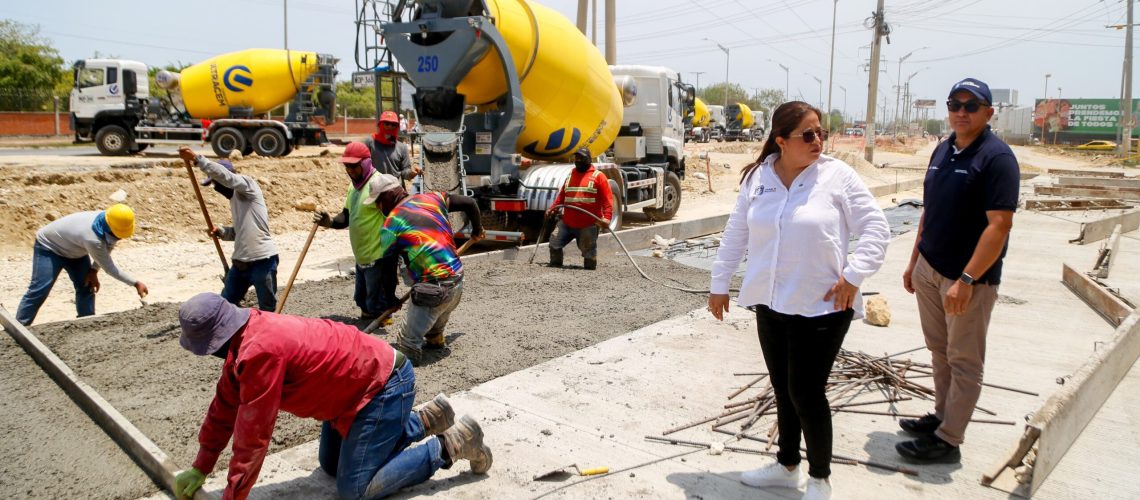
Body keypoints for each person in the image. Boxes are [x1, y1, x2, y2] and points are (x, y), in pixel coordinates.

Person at [708, 101, 890, 500]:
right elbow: (736, 231)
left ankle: (820, 478)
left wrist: (854, 275)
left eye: (820, 132)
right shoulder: (759, 177)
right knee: (782, 386)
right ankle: (787, 465)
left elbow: (876, 227)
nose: (818, 141)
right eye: (808, 134)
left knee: (806, 392)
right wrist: (719, 283)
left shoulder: (837, 176)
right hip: (771, 303)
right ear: (781, 141)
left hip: (822, 306)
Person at [171, 293, 492, 500]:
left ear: (217, 339)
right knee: (330, 465)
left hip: (384, 386)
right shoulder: (244, 338)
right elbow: (224, 408)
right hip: (355, 395)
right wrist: (202, 466)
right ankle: (424, 420)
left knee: (354, 488)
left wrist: (233, 496)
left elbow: (252, 437)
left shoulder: (260, 353)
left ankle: (450, 445)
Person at [897, 78, 1019, 464]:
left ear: (988, 112)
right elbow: (929, 211)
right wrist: (914, 261)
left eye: (971, 105)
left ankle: (949, 440)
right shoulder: (943, 149)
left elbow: (999, 225)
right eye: (955, 105)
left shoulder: (996, 158)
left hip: (966, 280)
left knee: (964, 359)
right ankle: (941, 415)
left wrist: (967, 280)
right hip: (930, 269)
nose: (961, 112)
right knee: (939, 352)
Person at [371, 175, 484, 365]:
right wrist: (477, 229)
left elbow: (387, 269)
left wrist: (391, 299)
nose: (377, 207)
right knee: (437, 311)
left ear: (389, 196)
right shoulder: (433, 198)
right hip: (457, 280)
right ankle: (434, 336)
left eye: (377, 202)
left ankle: (411, 353)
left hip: (433, 291)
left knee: (406, 345)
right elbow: (470, 202)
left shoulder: (391, 224)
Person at [179, 146, 280, 311]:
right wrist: (223, 232)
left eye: (215, 183)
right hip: (241, 264)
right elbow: (241, 232)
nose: (216, 188)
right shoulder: (235, 201)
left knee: (267, 310)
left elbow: (227, 178)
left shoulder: (248, 187)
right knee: (224, 307)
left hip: (262, 260)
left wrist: (197, 159)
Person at [15, 204, 149, 325]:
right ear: (110, 227)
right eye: (118, 235)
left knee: (87, 286)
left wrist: (93, 271)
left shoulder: (109, 221)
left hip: (75, 251)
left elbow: (107, 248)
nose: (119, 238)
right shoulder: (92, 237)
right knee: (40, 289)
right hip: (50, 247)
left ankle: (86, 324)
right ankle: (20, 327)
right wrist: (135, 283)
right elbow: (109, 267)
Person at [314, 142, 400, 323]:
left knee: (377, 304)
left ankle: (380, 333)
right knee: (362, 300)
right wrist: (328, 222)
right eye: (347, 166)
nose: (350, 170)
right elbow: (346, 217)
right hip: (361, 256)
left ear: (366, 163)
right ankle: (369, 318)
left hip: (377, 256)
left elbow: (397, 217)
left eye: (354, 165)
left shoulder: (378, 185)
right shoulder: (353, 187)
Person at [545, 147, 613, 270]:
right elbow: (562, 195)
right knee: (554, 242)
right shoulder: (571, 175)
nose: (578, 160)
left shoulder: (599, 177)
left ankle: (589, 271)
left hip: (588, 224)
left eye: (581, 158)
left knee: (588, 251)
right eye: (576, 158)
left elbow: (608, 201)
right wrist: (553, 208)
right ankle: (555, 266)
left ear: (588, 159)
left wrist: (607, 218)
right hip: (567, 222)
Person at [365, 110, 421, 181]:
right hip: (375, 189)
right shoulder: (370, 143)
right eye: (387, 123)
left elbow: (405, 172)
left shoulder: (402, 147)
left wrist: (412, 173)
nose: (390, 126)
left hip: (395, 189)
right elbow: (363, 166)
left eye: (393, 124)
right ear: (381, 124)